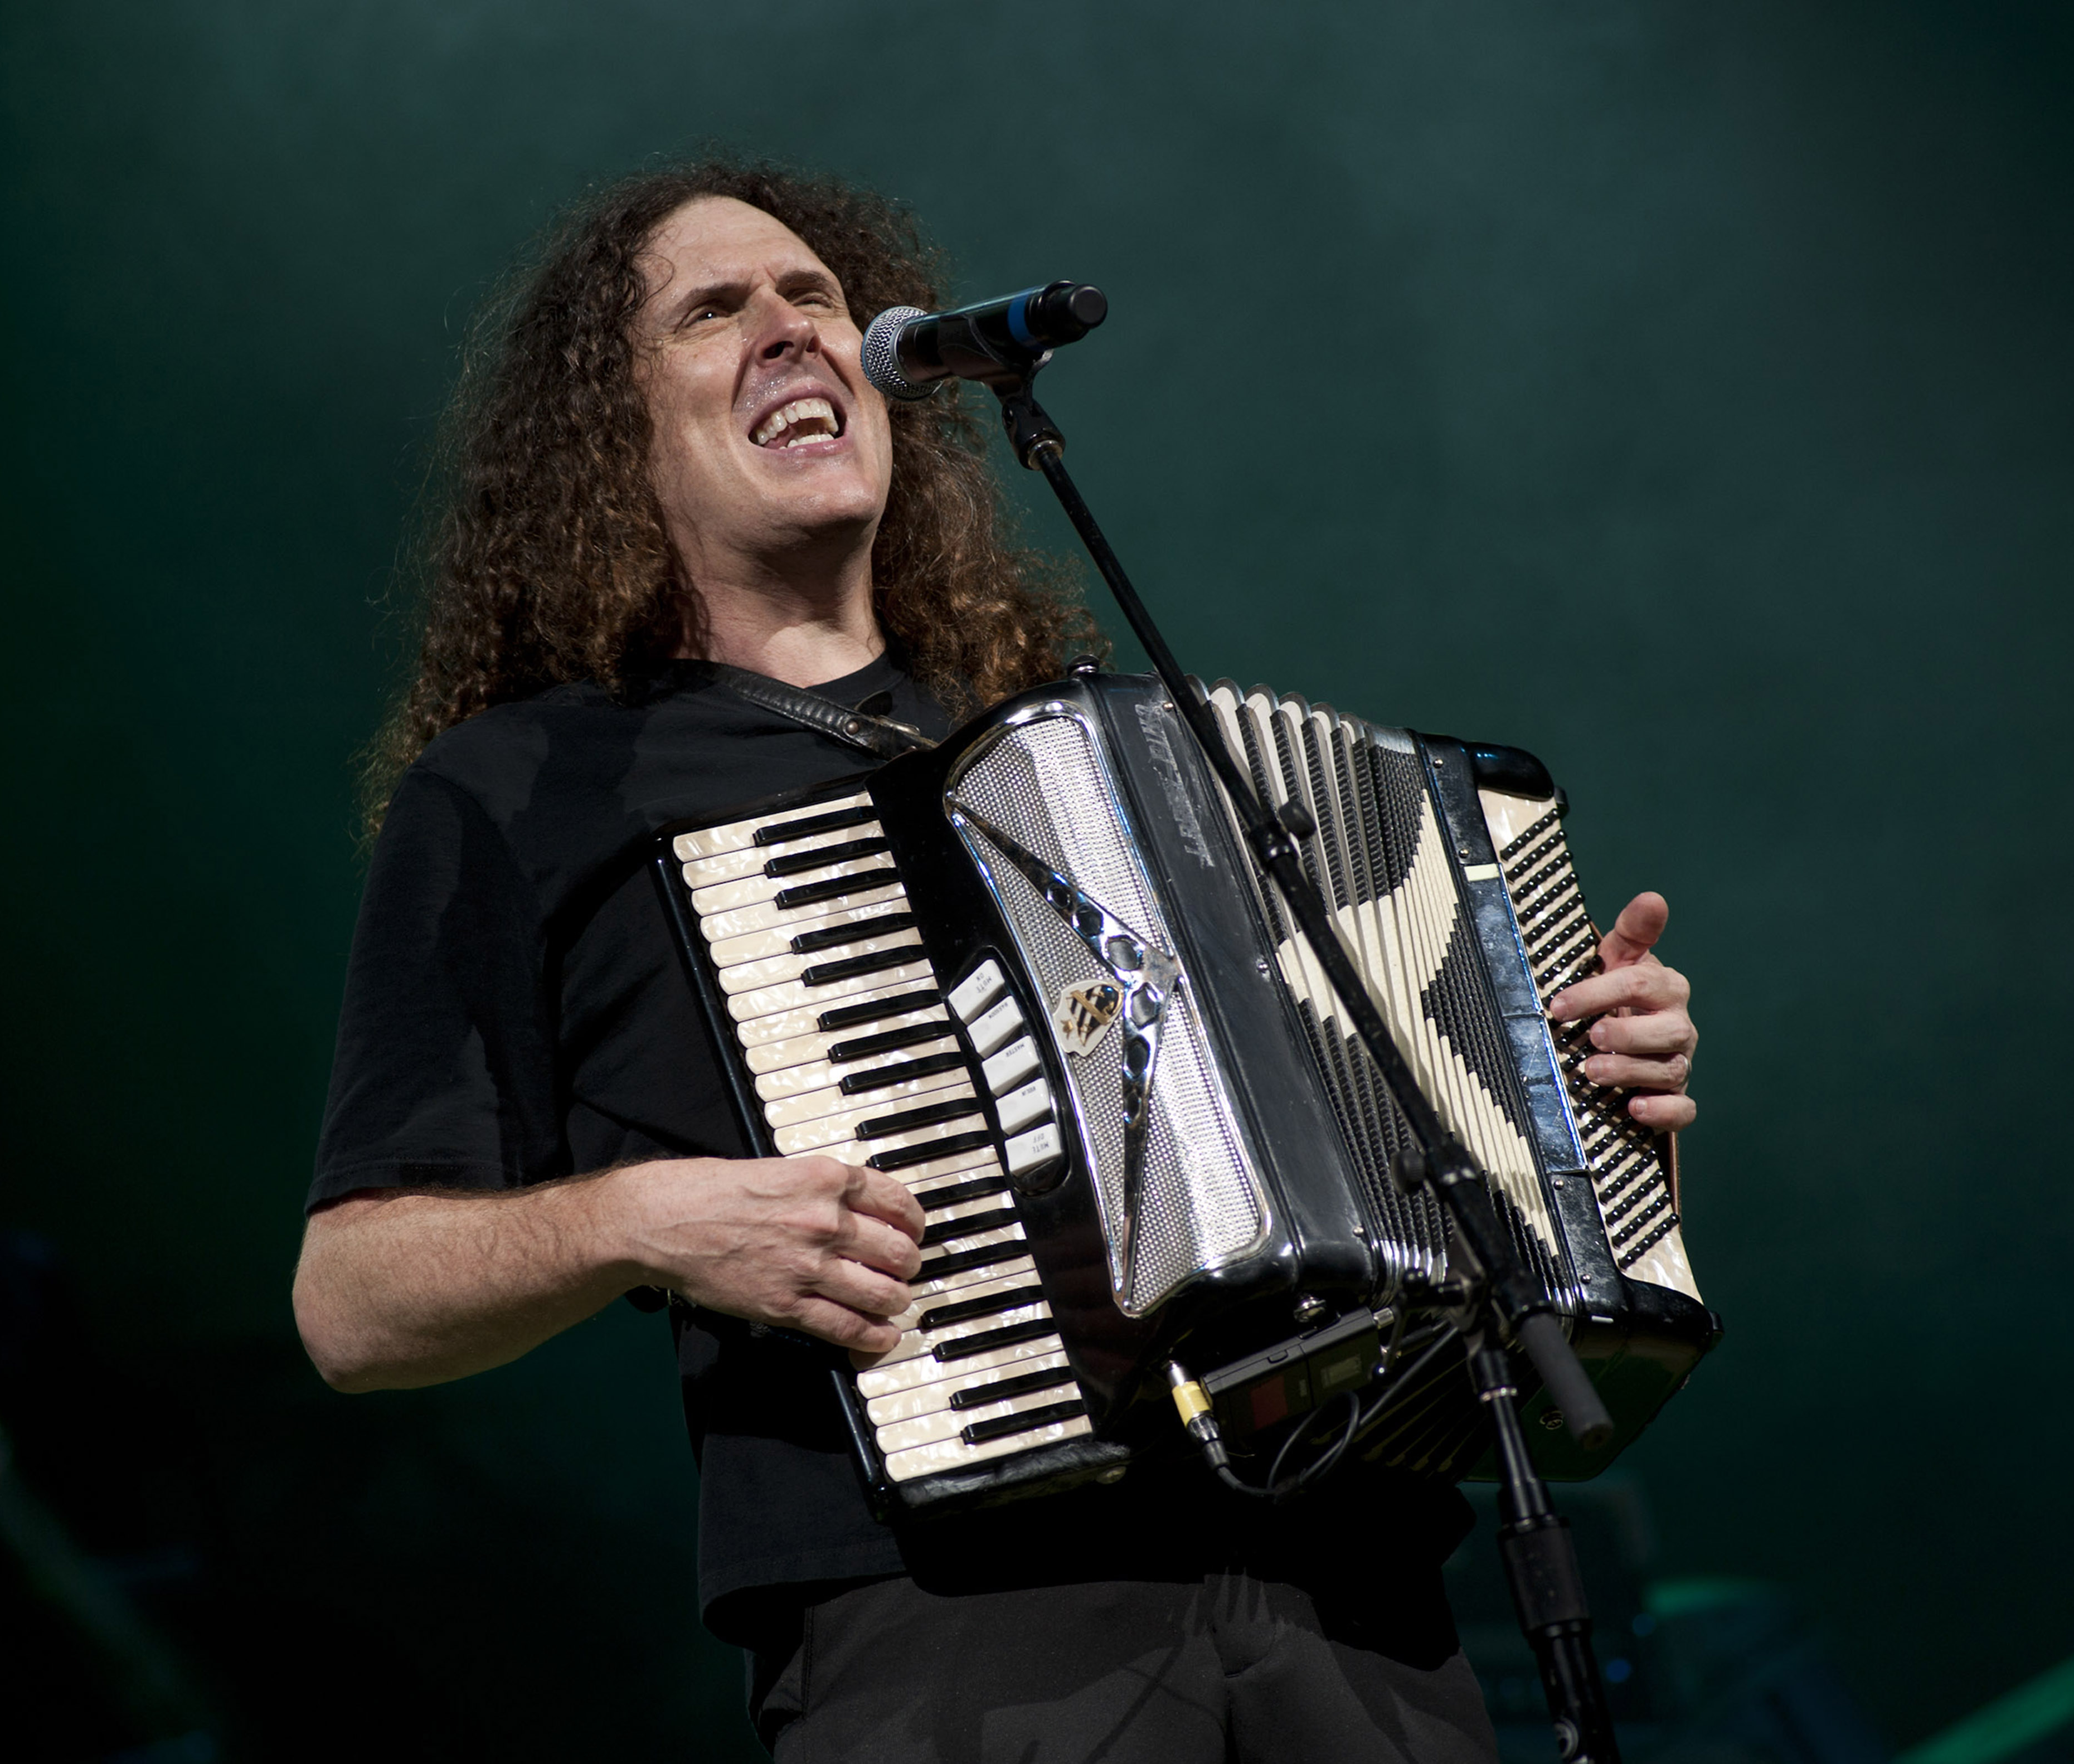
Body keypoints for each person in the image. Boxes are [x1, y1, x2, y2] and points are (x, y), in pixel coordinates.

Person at [292, 158, 1701, 1763]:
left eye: (815, 297)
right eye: (714, 312)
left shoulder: (1086, 766)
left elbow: (1408, 1177)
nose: (792, 333)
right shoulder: (529, 788)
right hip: (956, 1635)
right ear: (609, 438)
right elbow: (354, 1305)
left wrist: (1580, 1095)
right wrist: (638, 1219)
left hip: (1349, 1599)